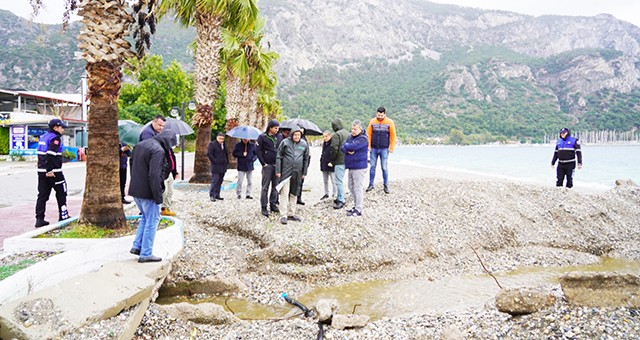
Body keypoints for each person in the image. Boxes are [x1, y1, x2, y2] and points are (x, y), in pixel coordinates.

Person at [128, 129, 176, 263]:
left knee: (145, 217)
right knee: (152, 221)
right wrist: (158, 195)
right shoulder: (158, 151)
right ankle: (146, 253)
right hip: (148, 192)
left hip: (136, 189)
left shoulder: (140, 145)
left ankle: (137, 246)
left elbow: (131, 165)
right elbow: (154, 175)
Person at [35, 118, 70, 228]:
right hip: (54, 172)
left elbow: (41, 154)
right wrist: (49, 170)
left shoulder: (44, 137)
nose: (63, 130)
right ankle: (63, 215)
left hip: (41, 171)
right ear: (55, 128)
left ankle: (39, 219)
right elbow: (50, 154)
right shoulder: (55, 138)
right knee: (61, 192)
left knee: (42, 195)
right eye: (61, 127)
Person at [139, 115, 177, 216]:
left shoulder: (158, 132)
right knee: (159, 189)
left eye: (163, 126)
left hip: (164, 166)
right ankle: (150, 211)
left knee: (169, 189)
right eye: (159, 125)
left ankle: (164, 208)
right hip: (155, 166)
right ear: (154, 122)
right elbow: (149, 150)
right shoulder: (147, 133)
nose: (161, 127)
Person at [275, 125, 310, 224]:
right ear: (292, 134)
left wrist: (304, 172)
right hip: (286, 172)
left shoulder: (304, 144)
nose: (297, 136)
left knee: (294, 192)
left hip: (298, 172)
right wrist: (278, 170)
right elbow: (278, 156)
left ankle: (291, 213)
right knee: (284, 193)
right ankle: (283, 215)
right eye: (295, 134)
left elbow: (306, 158)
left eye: (299, 135)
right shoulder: (285, 142)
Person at [366, 106, 396, 194]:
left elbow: (393, 136)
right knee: (372, 167)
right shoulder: (372, 121)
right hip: (374, 148)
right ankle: (371, 184)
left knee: (384, 167)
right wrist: (369, 146)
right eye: (378, 115)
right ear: (376, 113)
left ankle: (386, 185)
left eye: (381, 115)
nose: (380, 117)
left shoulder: (390, 122)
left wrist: (391, 148)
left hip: (384, 148)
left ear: (384, 114)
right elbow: (369, 134)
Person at [341, 120, 369, 217]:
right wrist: (348, 148)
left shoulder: (363, 139)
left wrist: (348, 147)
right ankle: (355, 205)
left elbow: (352, 146)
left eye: (355, 129)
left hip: (359, 166)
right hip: (351, 165)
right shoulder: (350, 136)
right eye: (352, 129)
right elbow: (342, 147)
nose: (353, 131)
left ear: (360, 129)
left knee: (358, 187)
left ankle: (359, 208)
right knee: (351, 186)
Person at [256, 119, 282, 217]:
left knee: (276, 186)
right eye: (275, 128)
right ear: (270, 128)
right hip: (267, 165)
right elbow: (258, 151)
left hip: (277, 165)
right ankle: (263, 206)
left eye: (278, 128)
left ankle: (273, 204)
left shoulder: (279, 136)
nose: (277, 130)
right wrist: (263, 163)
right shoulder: (262, 137)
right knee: (265, 187)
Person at [330, 118, 350, 209]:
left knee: (338, 180)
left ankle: (341, 199)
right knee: (340, 179)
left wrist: (331, 160)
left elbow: (334, 148)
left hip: (339, 160)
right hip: (347, 159)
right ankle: (339, 196)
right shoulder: (347, 133)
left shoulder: (336, 135)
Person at [207, 133, 229, 201]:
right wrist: (215, 161)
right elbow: (209, 154)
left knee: (220, 181)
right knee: (215, 181)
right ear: (217, 138)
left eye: (222, 139)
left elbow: (226, 154)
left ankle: (217, 194)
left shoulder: (224, 145)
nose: (221, 140)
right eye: (220, 139)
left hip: (223, 166)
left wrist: (227, 162)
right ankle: (212, 195)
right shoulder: (212, 144)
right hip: (216, 166)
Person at [320, 130, 337, 200]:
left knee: (333, 180)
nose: (325, 138)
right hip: (324, 163)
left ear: (330, 136)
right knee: (325, 180)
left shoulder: (333, 143)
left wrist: (332, 162)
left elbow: (335, 153)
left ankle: (335, 193)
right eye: (324, 136)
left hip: (331, 164)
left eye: (326, 136)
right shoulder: (324, 143)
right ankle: (326, 193)